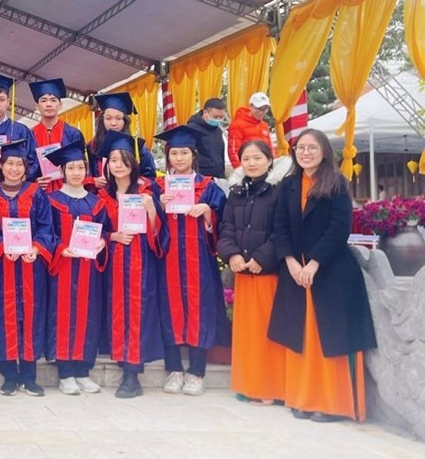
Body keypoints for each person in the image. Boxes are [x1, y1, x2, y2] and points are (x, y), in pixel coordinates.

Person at [268, 128, 377, 423]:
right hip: (295, 271)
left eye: (312, 148)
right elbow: (280, 227)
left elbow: (339, 229)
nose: (306, 153)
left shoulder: (337, 183)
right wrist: (290, 262)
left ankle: (333, 404)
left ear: (325, 151)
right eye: (301, 148)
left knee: (328, 337)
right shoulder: (288, 185)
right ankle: (304, 399)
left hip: (329, 270)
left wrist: (314, 263)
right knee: (301, 336)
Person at [155, 124, 227, 397]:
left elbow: (223, 223)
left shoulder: (209, 187)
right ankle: (174, 369)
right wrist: (158, 208)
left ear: (193, 155)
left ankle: (197, 372)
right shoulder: (158, 187)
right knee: (169, 309)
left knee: (200, 310)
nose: (179, 158)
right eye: (174, 153)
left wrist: (208, 212)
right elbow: (148, 228)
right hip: (168, 260)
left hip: (200, 262)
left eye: (184, 153)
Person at [0, 140, 55, 396]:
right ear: (0, 166)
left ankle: (29, 376)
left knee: (31, 317)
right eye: (9, 163)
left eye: (19, 164)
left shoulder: (36, 193)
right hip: (2, 267)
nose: (14, 169)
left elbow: (46, 227)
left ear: (26, 168)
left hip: (31, 266)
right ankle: (9, 375)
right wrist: (2, 246)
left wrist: (36, 248)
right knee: (4, 317)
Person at [218, 139, 289, 405]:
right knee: (247, 333)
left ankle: (269, 387)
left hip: (268, 272)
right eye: (246, 159)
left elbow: (283, 230)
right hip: (243, 272)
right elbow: (226, 227)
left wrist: (262, 258)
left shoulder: (279, 191)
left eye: (257, 158)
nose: (251, 163)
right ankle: (248, 385)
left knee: (268, 331)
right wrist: (232, 255)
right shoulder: (236, 192)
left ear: (269, 160)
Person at [97, 130, 167, 399]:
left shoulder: (147, 191)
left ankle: (132, 374)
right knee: (117, 312)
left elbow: (161, 232)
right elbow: (95, 231)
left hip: (141, 262)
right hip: (115, 264)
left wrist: (151, 209)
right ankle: (121, 358)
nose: (118, 165)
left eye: (124, 159)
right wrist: (112, 236)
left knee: (138, 311)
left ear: (133, 162)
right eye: (113, 160)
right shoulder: (103, 196)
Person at [45, 140, 113, 395]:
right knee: (62, 316)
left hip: (88, 269)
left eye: (80, 168)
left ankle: (83, 371)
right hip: (62, 268)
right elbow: (46, 231)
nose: (76, 172)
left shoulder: (96, 202)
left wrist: (102, 242)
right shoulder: (50, 200)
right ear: (62, 171)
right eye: (71, 168)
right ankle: (65, 373)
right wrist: (60, 247)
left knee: (88, 315)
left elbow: (105, 230)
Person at [87, 92, 156, 186]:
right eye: (108, 118)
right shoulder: (91, 147)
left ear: (125, 121)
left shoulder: (137, 147)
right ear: (102, 120)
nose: (113, 123)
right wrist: (93, 181)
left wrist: (136, 182)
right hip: (100, 194)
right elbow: (83, 174)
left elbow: (150, 178)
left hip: (130, 194)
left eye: (118, 118)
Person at [29, 78, 85, 192]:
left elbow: (80, 165)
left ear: (60, 104)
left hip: (67, 193)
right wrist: (34, 181)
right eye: (43, 100)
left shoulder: (73, 134)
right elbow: (26, 165)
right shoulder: (29, 135)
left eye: (53, 100)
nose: (49, 104)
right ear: (36, 106)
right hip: (39, 194)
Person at [227, 92, 273, 169]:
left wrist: (271, 165)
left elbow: (269, 148)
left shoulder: (264, 126)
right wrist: (241, 170)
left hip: (263, 168)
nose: (261, 112)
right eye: (258, 108)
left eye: (264, 109)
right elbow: (233, 151)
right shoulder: (237, 124)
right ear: (251, 106)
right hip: (247, 168)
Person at [187, 97, 228, 179]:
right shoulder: (192, 129)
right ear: (205, 112)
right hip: (200, 178)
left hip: (218, 176)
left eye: (221, 117)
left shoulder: (218, 130)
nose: (218, 120)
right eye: (215, 117)